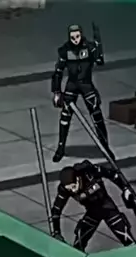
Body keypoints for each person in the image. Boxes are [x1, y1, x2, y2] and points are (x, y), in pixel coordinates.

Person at [50, 23, 114, 163]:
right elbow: (58, 72)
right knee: (65, 116)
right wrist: (56, 92)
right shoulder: (65, 50)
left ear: (81, 35)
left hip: (86, 84)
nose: (75, 40)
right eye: (73, 37)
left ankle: (105, 147)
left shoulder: (90, 47)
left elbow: (100, 61)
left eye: (77, 36)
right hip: (72, 85)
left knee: (96, 115)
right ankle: (61, 148)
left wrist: (98, 50)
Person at [50, 160, 136, 252]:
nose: (73, 191)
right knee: (79, 240)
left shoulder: (88, 172)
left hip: (107, 207)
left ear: (78, 179)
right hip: (92, 211)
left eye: (73, 186)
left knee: (126, 237)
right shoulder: (64, 189)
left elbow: (112, 175)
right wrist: (56, 232)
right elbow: (56, 209)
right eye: (69, 189)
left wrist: (125, 188)